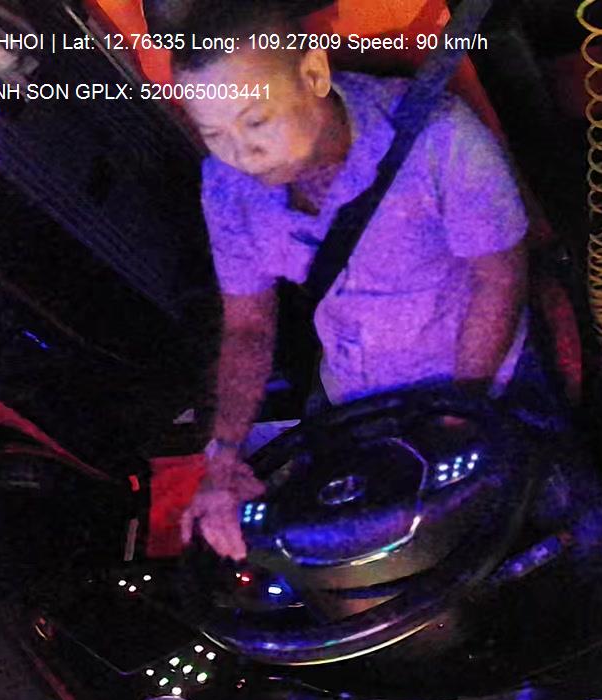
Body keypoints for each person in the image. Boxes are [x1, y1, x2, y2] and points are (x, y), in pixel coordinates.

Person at [162, 0, 531, 560]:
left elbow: (499, 279)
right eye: (214, 134)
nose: (242, 155)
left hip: (480, 384)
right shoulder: (225, 184)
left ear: (313, 73)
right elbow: (248, 326)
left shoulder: (440, 138)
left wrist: (457, 416)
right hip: (352, 401)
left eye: (256, 122)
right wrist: (224, 455)